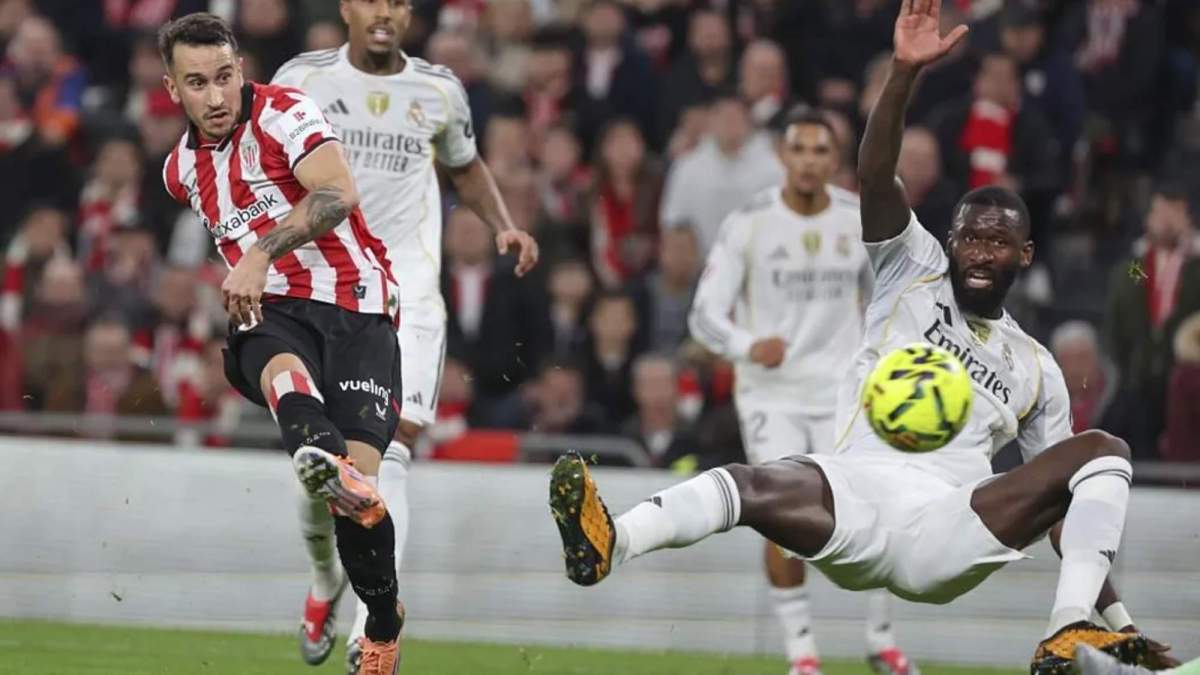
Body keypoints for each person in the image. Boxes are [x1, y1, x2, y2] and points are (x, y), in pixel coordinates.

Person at [547, 3, 1180, 675]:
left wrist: (1125, 622)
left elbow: (1064, 511)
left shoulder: (1035, 366)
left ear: (1024, 254)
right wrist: (903, 75)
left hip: (951, 521)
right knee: (748, 481)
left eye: (997, 240)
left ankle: (1069, 628)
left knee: (1102, 452)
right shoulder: (912, 266)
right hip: (855, 489)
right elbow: (876, 174)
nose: (977, 250)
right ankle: (611, 542)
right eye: (968, 235)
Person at [269, 0, 539, 670]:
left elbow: (466, 165)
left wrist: (502, 221)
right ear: (346, 8)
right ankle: (326, 579)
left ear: (409, 13)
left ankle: (371, 627)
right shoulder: (300, 80)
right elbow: (264, 166)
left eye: (397, 1)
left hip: (407, 296)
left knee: (391, 456)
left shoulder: (439, 90)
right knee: (323, 473)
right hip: (323, 291)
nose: (383, 12)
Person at [157, 13, 404, 675]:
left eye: (225, 77)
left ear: (242, 70)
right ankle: (317, 464)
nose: (215, 96)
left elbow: (338, 190)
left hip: (358, 308)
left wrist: (262, 250)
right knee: (283, 377)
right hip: (272, 316)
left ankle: (379, 617)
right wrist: (259, 269)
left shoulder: (284, 113)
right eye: (197, 83)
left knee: (357, 499)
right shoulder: (179, 171)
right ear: (172, 88)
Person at [687, 106, 908, 675]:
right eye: (799, 150)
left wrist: (883, 363)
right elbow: (704, 316)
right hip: (772, 395)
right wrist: (745, 343)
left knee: (873, 510)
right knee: (785, 519)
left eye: (820, 152)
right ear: (783, 157)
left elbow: (892, 297)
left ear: (835, 161)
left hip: (844, 392)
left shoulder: (858, 219)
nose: (809, 162)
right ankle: (803, 657)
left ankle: (881, 642)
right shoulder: (749, 223)